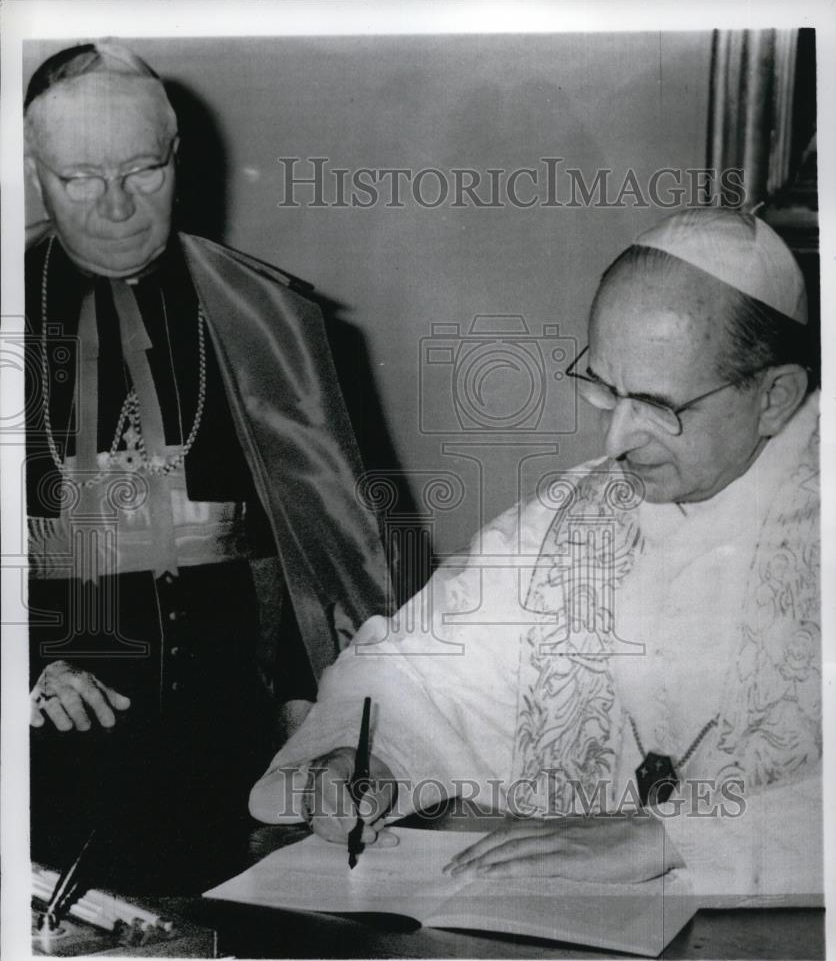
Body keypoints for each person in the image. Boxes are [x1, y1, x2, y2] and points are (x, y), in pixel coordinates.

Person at [250, 208, 822, 904]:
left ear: (775, 398)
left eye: (659, 405)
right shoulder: (576, 516)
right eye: (604, 388)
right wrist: (365, 761)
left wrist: (673, 838)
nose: (615, 440)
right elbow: (423, 671)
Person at [24, 42, 390, 888]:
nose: (117, 206)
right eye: (80, 177)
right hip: (38, 755)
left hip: (230, 758)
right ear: (32, 167)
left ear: (177, 157)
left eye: (143, 170)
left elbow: (323, 548)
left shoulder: (265, 319)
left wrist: (322, 722)